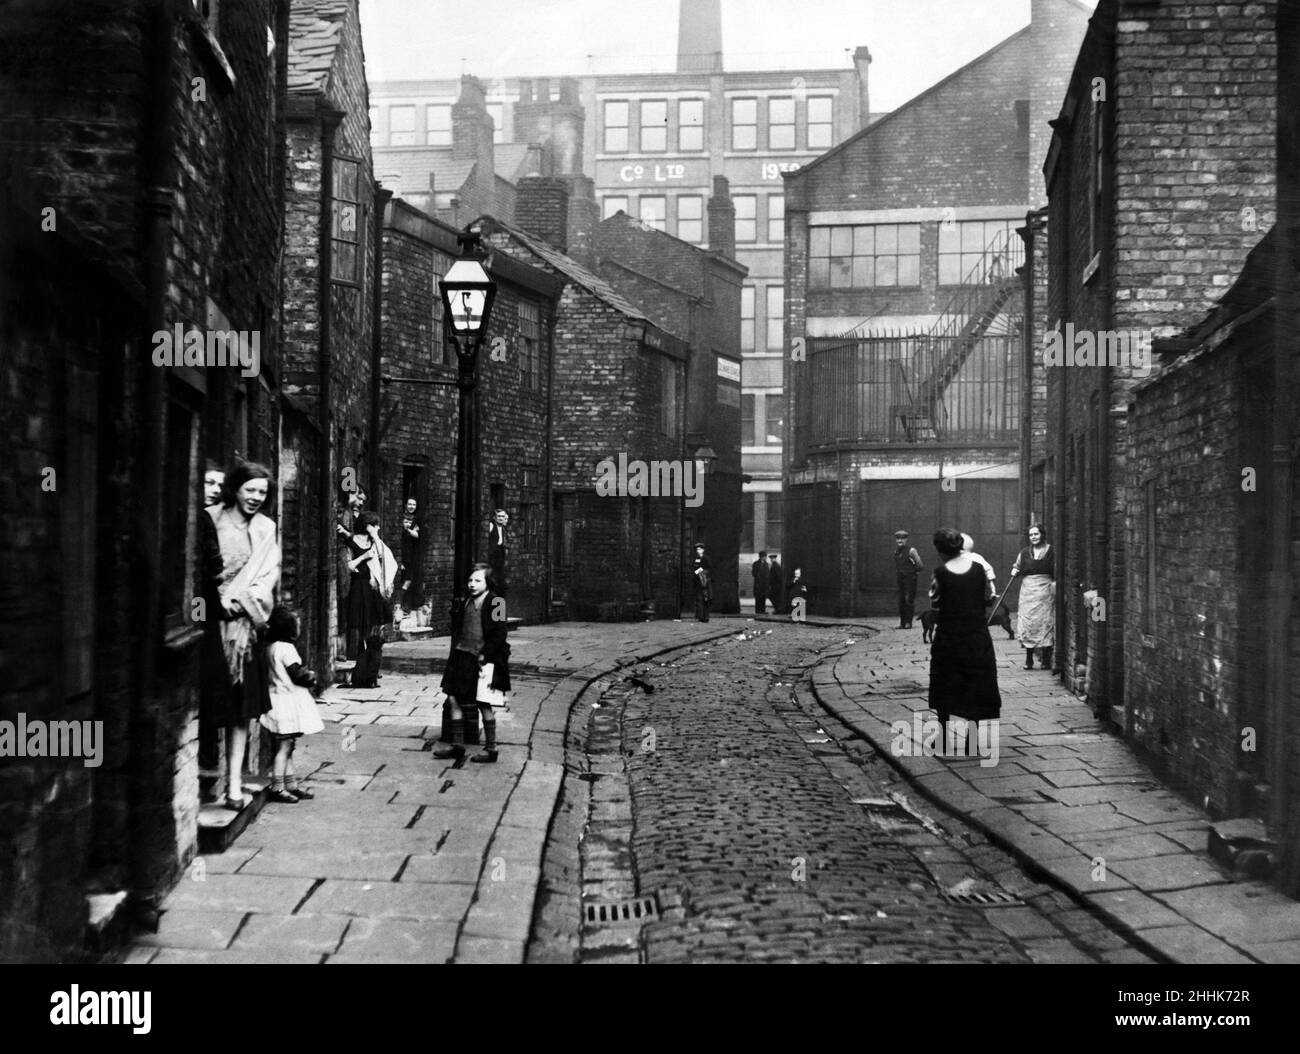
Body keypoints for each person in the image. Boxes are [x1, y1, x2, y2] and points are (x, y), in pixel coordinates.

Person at [209, 461, 280, 810]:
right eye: (250, 489)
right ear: (235, 488)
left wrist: (242, 604)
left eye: (262, 492)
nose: (255, 497)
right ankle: (204, 778)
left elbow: (268, 576)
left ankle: (234, 785)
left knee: (240, 711)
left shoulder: (267, 529)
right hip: (210, 625)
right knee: (211, 703)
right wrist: (213, 605)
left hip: (245, 629)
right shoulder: (211, 519)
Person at [928, 527, 1001, 752]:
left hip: (949, 637)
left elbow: (935, 601)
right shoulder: (979, 570)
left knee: (945, 683)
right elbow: (989, 597)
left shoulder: (940, 573)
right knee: (976, 683)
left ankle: (941, 739)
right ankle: (972, 741)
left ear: (940, 550)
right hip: (976, 637)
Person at [435, 566, 511, 763]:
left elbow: (500, 634)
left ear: (488, 583)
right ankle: (458, 745)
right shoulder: (467, 601)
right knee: (453, 698)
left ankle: (491, 748)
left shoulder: (497, 603)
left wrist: (485, 655)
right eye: (470, 580)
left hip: (484, 659)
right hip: (462, 656)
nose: (472, 584)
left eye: (477, 581)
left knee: (483, 703)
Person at [259, 606, 324, 803]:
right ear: (288, 628)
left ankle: (291, 784)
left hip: (277, 701)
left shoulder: (270, 648)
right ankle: (278, 787)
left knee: (287, 746)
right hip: (288, 704)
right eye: (297, 625)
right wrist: (311, 677)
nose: (299, 629)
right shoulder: (287, 649)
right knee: (284, 748)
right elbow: (297, 675)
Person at [197, 461, 229, 803]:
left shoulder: (210, 519)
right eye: (208, 482)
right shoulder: (203, 518)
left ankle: (208, 770)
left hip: (204, 612)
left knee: (210, 690)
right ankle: (206, 771)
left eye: (219, 484)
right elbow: (215, 570)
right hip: (203, 611)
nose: (215, 489)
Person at [341, 511, 396, 689]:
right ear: (367, 525)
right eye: (375, 525)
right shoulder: (350, 543)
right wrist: (364, 557)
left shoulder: (374, 542)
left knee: (372, 628)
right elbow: (347, 566)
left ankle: (369, 670)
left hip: (372, 589)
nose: (378, 528)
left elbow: (384, 558)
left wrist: (376, 537)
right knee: (358, 628)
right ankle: (359, 666)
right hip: (358, 588)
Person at [1011, 523, 1055, 670]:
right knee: (1028, 623)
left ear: (1042, 534)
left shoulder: (1051, 551)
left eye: (1036, 534)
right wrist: (1015, 571)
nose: (1033, 537)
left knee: (1045, 622)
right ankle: (1029, 659)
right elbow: (1017, 566)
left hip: (1045, 590)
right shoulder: (1024, 552)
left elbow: (1056, 571)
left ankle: (1046, 660)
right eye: (1031, 535)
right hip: (1027, 591)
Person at [893, 530, 923, 628]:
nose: (900, 541)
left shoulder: (911, 551)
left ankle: (908, 623)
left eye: (902, 538)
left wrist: (913, 573)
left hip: (910, 579)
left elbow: (920, 565)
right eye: (898, 539)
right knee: (901, 600)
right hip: (900, 579)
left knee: (908, 600)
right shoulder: (896, 551)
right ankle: (902, 623)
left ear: (906, 539)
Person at [398, 497, 423, 613]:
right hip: (402, 554)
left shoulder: (416, 519)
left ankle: (403, 601)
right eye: (409, 504)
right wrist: (411, 530)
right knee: (405, 579)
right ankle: (400, 602)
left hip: (412, 555)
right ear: (405, 505)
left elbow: (417, 535)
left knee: (410, 579)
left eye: (414, 505)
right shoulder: (401, 517)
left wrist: (410, 530)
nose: (411, 507)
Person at [486, 508, 509, 595]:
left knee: (500, 573)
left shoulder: (502, 528)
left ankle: (499, 592)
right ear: (494, 517)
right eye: (498, 516)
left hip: (500, 552)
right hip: (493, 553)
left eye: (502, 516)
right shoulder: (491, 526)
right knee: (492, 574)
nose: (501, 518)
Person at [691, 543, 712, 622]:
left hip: (704, 582)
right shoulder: (695, 559)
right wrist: (697, 572)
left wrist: (699, 571)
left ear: (703, 550)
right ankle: (700, 616)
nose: (698, 551)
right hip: (697, 582)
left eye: (700, 549)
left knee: (705, 599)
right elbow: (693, 568)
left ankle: (705, 617)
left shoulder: (706, 558)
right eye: (697, 549)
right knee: (699, 599)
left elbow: (708, 568)